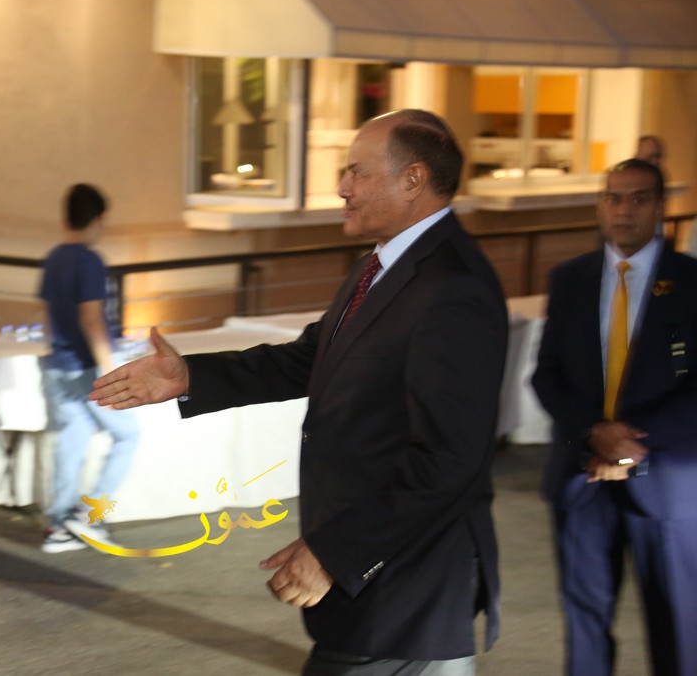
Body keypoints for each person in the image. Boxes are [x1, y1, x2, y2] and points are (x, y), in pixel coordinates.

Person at [91, 110, 507, 675]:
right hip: (378, 590)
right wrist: (191, 376)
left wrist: (337, 553)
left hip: (408, 589)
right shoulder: (384, 265)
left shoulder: (452, 286)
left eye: (357, 172)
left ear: (413, 179)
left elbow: (449, 458)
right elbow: (311, 358)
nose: (342, 188)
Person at [532, 158, 697, 676]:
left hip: (666, 483)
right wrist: (594, 436)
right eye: (613, 197)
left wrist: (627, 446)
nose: (624, 209)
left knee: (678, 626)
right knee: (584, 623)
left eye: (639, 198)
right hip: (583, 479)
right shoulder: (569, 279)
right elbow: (547, 376)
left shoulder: (692, 282)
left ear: (660, 207)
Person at [38, 183, 140, 553]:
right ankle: (90, 516)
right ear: (97, 219)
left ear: (66, 218)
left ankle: (59, 526)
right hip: (85, 365)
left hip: (57, 363)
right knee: (128, 435)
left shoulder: (54, 258)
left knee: (72, 440)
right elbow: (91, 318)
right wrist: (109, 370)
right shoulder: (89, 261)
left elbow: (48, 314)